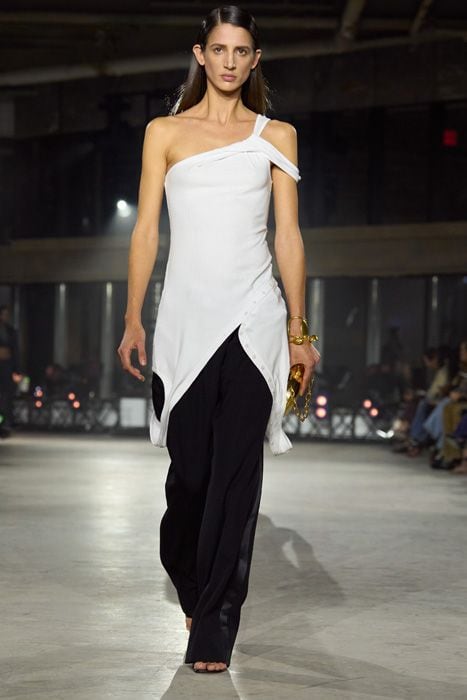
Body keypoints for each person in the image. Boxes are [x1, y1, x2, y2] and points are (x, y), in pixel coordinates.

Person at [117, 5, 320, 674]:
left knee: (236, 478)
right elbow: (147, 230)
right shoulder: (164, 133)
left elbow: (287, 235)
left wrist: (298, 330)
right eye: (219, 49)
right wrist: (133, 317)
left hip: (255, 321)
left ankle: (214, 625)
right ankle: (189, 576)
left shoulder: (276, 135)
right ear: (200, 55)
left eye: (242, 51)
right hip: (184, 322)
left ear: (254, 60)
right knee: (191, 480)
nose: (230, 61)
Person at [0, 304, 21, 436]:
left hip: (6, 366)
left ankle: (5, 423)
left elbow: (15, 351)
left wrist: (16, 370)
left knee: (6, 396)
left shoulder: (10, 331)